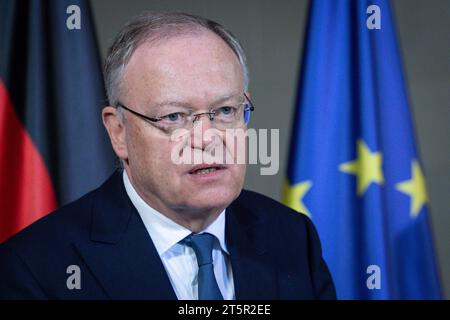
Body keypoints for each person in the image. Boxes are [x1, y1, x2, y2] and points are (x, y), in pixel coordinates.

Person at [0, 12, 336, 300]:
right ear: (119, 132)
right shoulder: (35, 268)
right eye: (174, 117)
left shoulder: (292, 237)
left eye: (224, 110)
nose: (208, 139)